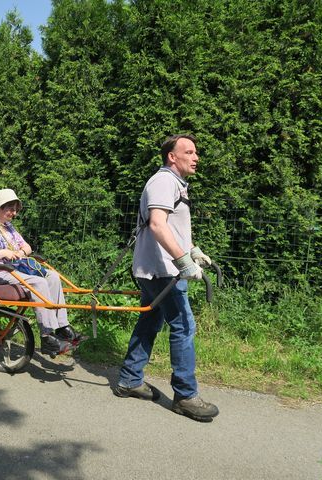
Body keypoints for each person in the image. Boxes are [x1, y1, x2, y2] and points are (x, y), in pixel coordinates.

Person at [114, 134, 219, 422]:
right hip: (164, 270)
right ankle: (185, 396)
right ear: (172, 156)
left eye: (196, 152)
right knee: (184, 325)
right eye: (189, 151)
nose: (196, 157)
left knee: (150, 320)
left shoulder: (176, 185)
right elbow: (158, 225)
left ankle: (129, 379)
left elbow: (174, 226)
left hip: (159, 267)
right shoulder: (163, 181)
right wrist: (183, 262)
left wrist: (192, 250)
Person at [0, 188, 87, 357]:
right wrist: (3, 253)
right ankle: (47, 336)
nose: (14, 212)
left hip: (13, 268)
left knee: (52, 276)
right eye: (10, 208)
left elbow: (27, 247)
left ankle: (62, 327)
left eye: (16, 209)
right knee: (38, 282)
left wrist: (21, 253)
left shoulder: (7, 227)